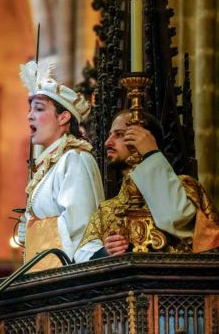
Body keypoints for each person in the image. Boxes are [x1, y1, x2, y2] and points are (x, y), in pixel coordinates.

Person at [74, 110, 219, 262]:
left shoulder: (184, 187)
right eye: (110, 135)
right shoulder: (106, 210)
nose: (107, 142)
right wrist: (105, 252)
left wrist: (150, 153)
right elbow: (82, 256)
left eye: (119, 134)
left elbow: (174, 217)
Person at [16, 60, 105, 271]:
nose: (30, 115)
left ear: (63, 117)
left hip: (66, 277)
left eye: (39, 109)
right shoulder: (51, 165)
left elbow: (81, 231)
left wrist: (34, 227)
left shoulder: (75, 159)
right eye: (30, 109)